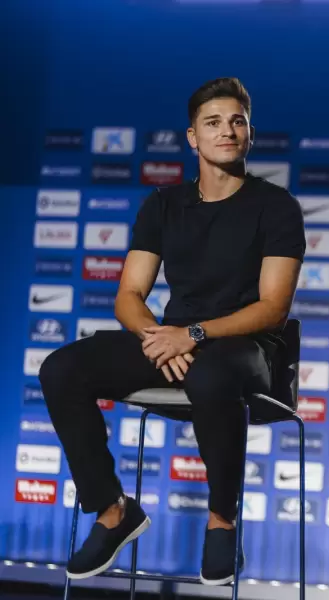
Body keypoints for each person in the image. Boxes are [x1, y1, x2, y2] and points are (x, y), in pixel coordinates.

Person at [38, 77, 306, 585]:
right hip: (175, 342)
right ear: (192, 138)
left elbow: (272, 308)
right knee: (62, 368)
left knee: (209, 377)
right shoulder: (163, 205)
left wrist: (195, 335)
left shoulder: (276, 206)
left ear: (249, 133)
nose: (226, 131)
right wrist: (157, 337)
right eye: (213, 122)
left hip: (248, 350)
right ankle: (113, 510)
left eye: (237, 121)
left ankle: (222, 520)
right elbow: (129, 296)